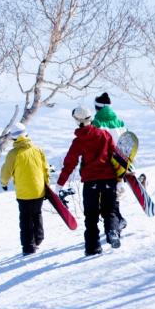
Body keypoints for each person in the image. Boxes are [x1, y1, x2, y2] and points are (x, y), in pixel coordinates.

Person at [57, 107, 121, 255]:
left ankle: (93, 248)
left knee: (91, 217)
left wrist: (60, 184)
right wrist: (120, 178)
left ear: (77, 121)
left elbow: (69, 164)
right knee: (110, 211)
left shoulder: (78, 141)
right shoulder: (104, 134)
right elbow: (115, 155)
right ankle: (112, 231)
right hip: (109, 179)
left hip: (90, 182)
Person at [0, 122, 50, 256]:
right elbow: (45, 169)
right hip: (39, 190)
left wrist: (4, 183)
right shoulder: (38, 150)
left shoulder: (13, 154)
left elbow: (6, 171)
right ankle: (38, 239)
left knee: (26, 219)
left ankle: (29, 247)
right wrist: (47, 185)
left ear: (14, 138)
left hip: (24, 194)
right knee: (37, 213)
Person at [92, 92, 128, 231]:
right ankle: (118, 219)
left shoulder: (97, 123)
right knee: (114, 194)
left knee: (105, 197)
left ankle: (118, 220)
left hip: (105, 164)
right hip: (121, 162)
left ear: (97, 107)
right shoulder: (119, 122)